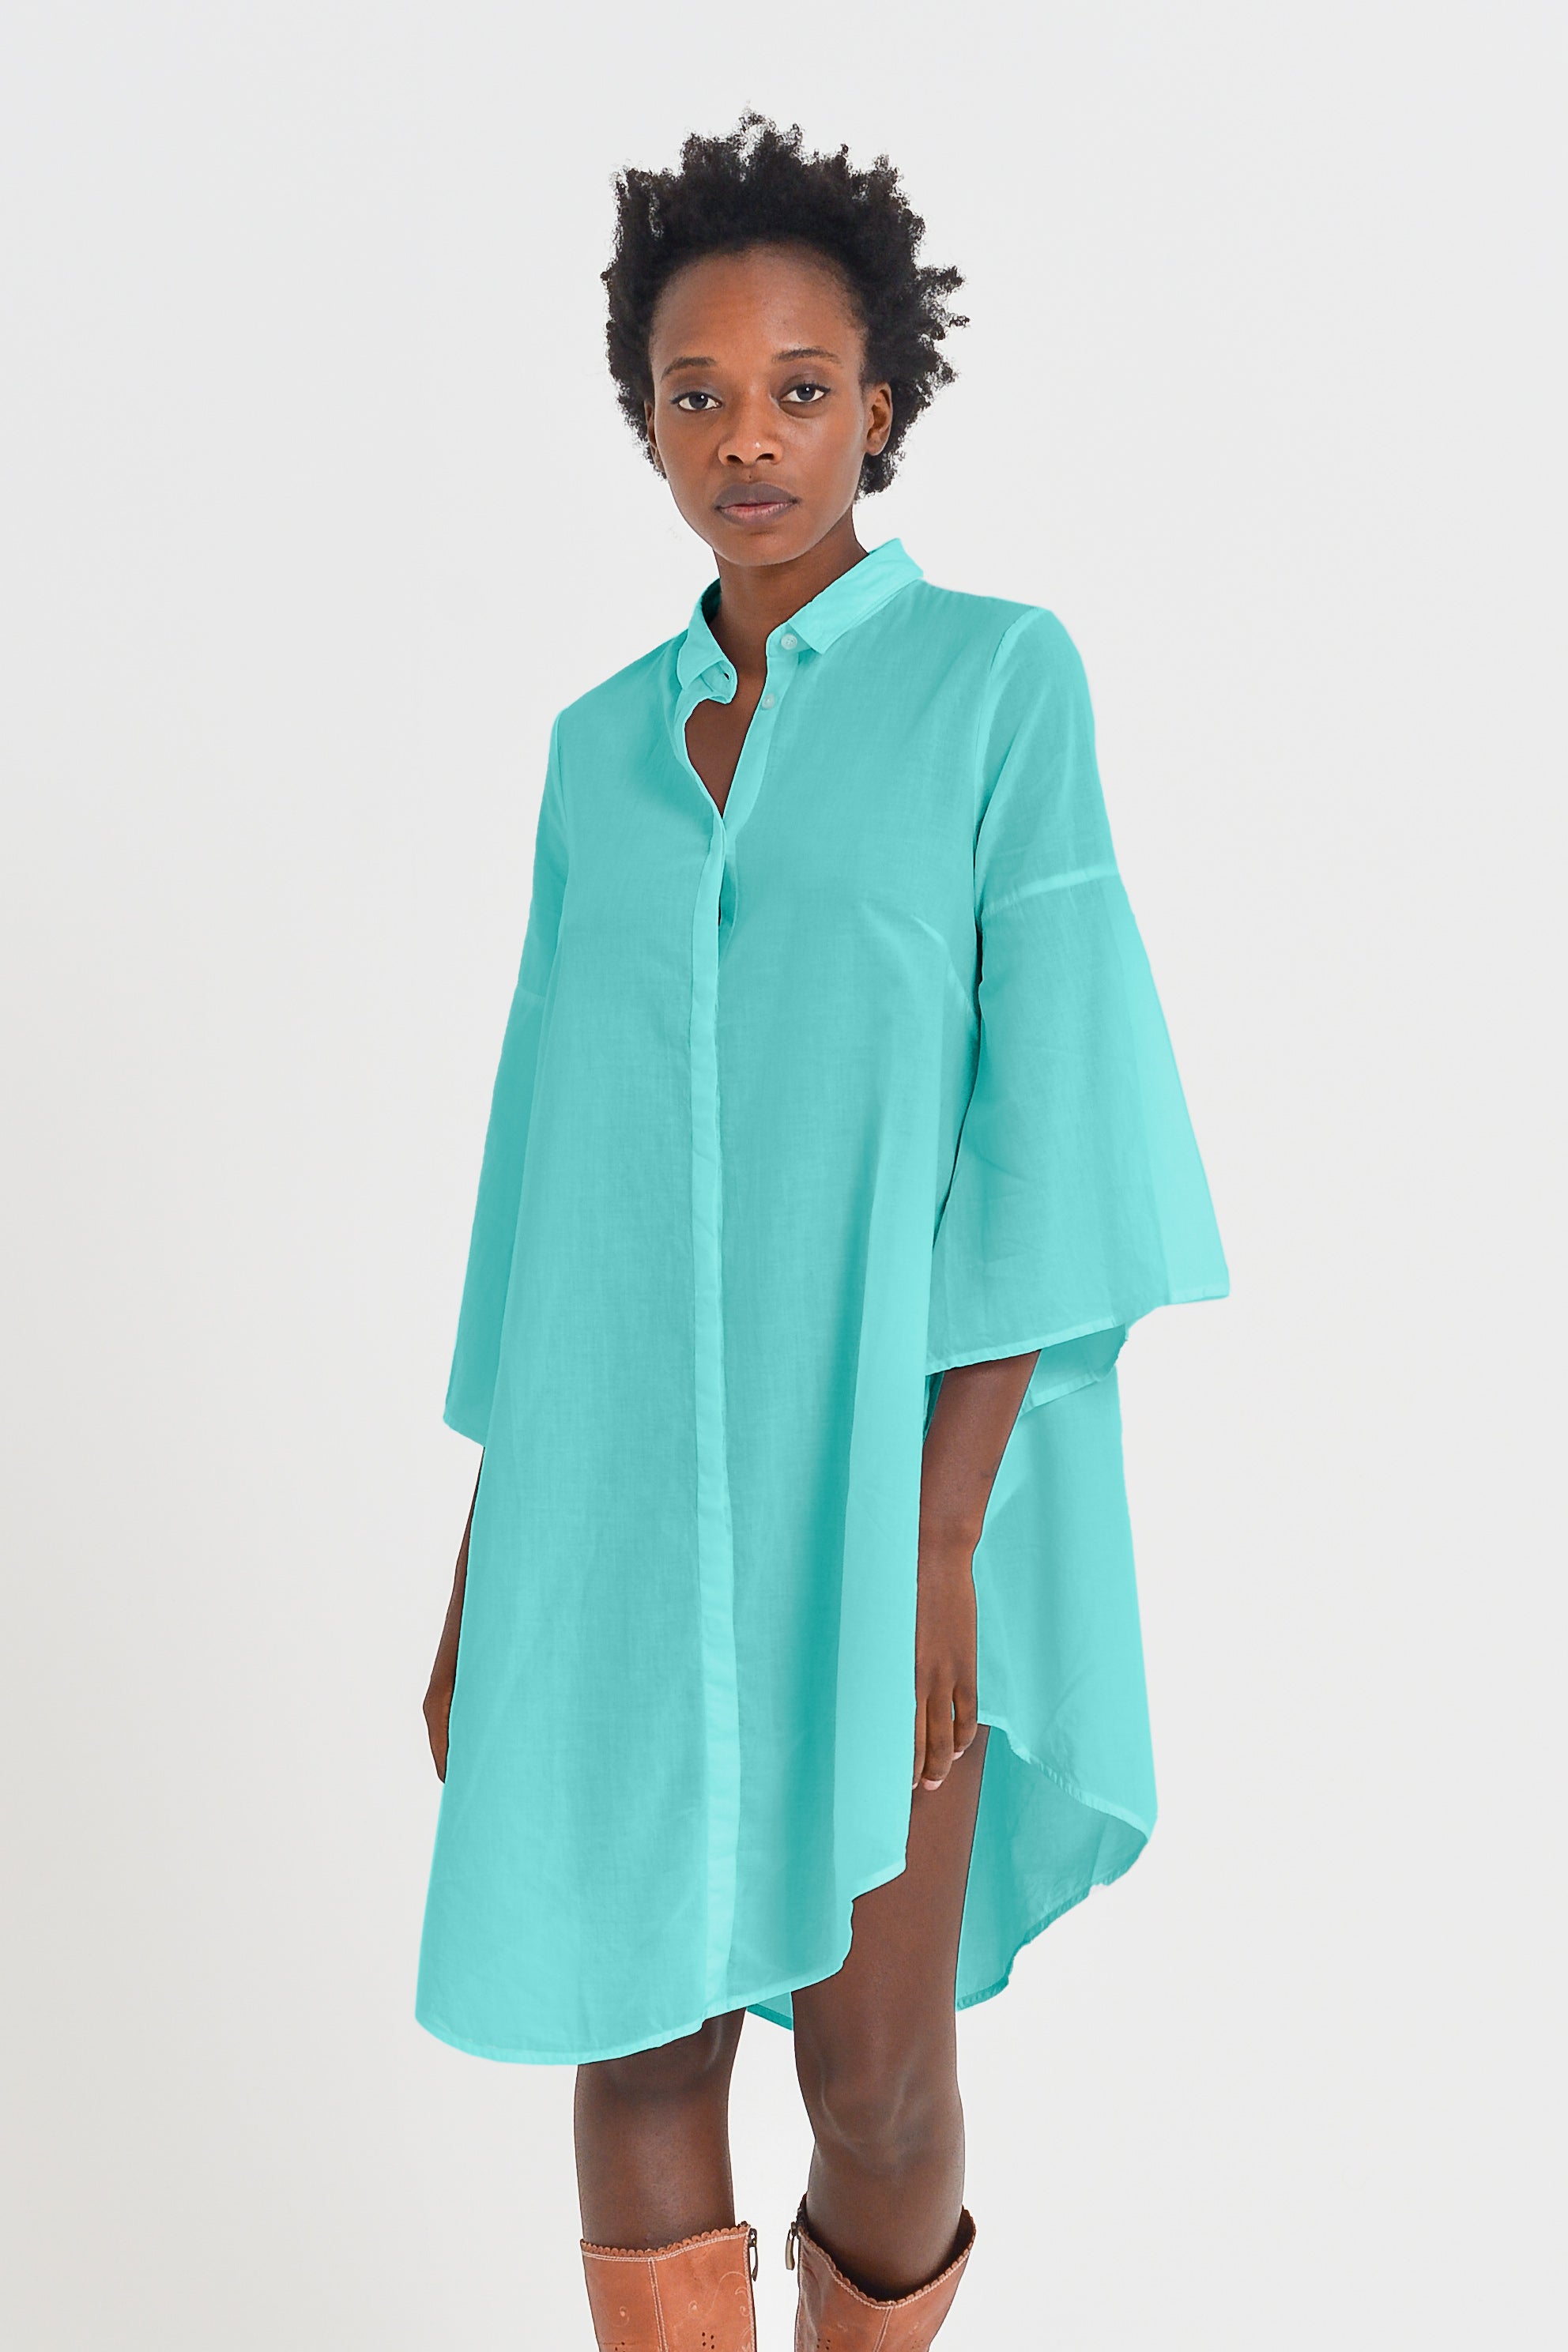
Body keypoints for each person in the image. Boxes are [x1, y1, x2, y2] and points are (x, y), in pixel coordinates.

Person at [416, 112, 1227, 2351]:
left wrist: (946, 1536)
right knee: (636, 2034)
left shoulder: (1000, 686)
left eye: (797, 389)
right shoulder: (596, 754)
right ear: (644, 420)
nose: (746, 440)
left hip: (888, 1487)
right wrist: (491, 1554)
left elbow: (1053, 1135)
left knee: (875, 2075)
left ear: (882, 403)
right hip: (611, 1504)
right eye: (696, 395)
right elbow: (546, 1175)